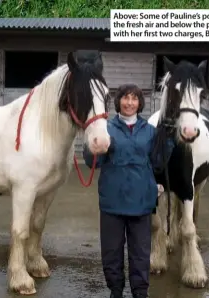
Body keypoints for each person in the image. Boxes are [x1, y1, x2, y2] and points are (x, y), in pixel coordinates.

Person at [83, 84, 174, 298]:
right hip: (112, 202)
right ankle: (115, 291)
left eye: (134, 98)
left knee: (140, 254)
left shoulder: (150, 131)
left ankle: (140, 293)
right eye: (125, 98)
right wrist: (91, 146)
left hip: (141, 202)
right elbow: (93, 163)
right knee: (112, 252)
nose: (129, 103)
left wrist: (168, 140)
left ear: (139, 103)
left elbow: (158, 163)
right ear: (118, 102)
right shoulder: (106, 128)